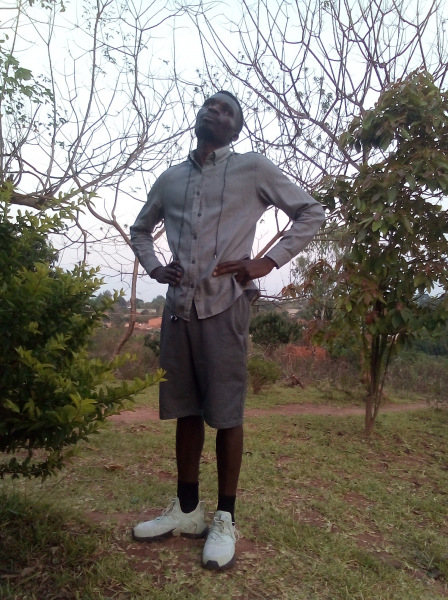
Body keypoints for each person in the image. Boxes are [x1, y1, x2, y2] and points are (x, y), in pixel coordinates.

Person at [129, 90, 325, 571]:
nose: (213, 111)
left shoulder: (252, 168)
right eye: (209, 105)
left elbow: (311, 212)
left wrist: (266, 262)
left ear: (236, 129)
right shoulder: (170, 179)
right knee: (186, 409)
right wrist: (155, 268)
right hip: (179, 309)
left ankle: (224, 518)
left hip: (225, 307)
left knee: (226, 413)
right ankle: (187, 510)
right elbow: (140, 230)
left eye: (226, 110)